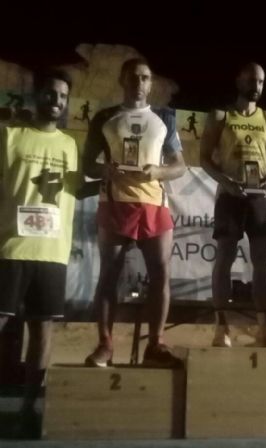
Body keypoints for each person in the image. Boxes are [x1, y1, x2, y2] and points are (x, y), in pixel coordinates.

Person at [83, 58, 186, 368]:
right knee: (109, 275)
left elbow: (179, 166)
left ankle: (155, 344)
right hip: (116, 202)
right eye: (133, 77)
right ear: (122, 80)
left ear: (150, 83)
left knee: (161, 273)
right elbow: (88, 165)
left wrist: (158, 171)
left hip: (154, 204)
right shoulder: (105, 117)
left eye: (145, 77)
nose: (139, 83)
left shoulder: (164, 118)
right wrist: (106, 170)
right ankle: (105, 345)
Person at [0, 68, 78, 435]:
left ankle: (30, 410)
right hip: (11, 248)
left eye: (62, 96)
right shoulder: (10, 136)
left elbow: (74, 191)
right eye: (50, 94)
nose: (56, 101)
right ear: (37, 96)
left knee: (42, 331)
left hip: (52, 253)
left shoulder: (70, 145)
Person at [200, 62, 266, 347]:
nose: (256, 86)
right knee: (224, 258)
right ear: (238, 81)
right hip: (230, 196)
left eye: (260, 82)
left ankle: (265, 327)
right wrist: (225, 181)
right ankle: (221, 327)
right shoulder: (221, 116)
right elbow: (204, 158)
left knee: (262, 262)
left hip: (259, 198)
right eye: (251, 80)